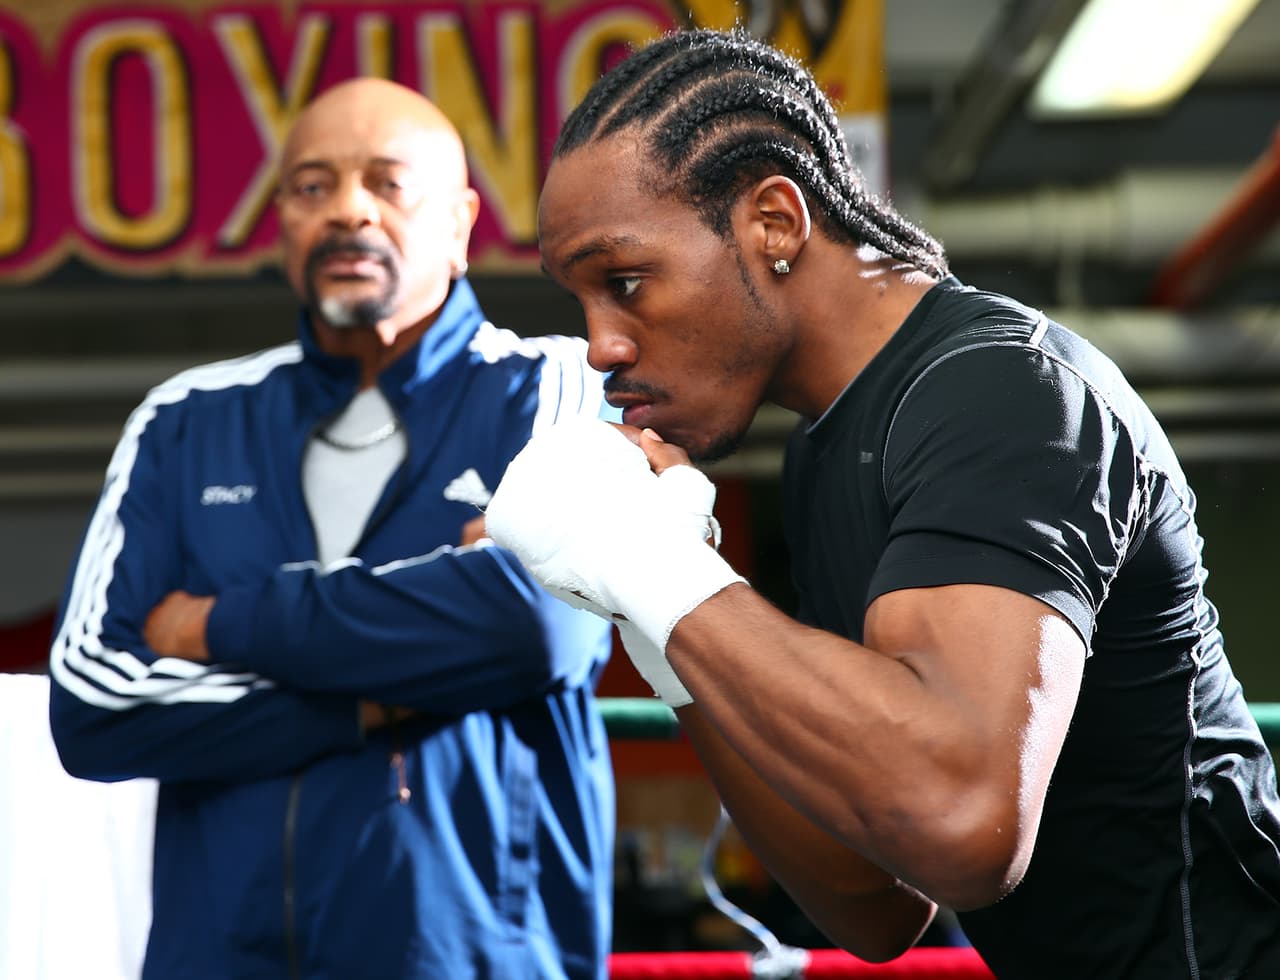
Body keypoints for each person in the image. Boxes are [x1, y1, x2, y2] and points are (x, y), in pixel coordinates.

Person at [484, 27, 1280, 980]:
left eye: (624, 282)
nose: (600, 346)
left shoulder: (1003, 394)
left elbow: (962, 825)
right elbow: (874, 901)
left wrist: (655, 566)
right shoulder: (830, 449)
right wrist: (660, 625)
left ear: (774, 222)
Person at [48, 78, 617, 980]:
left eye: (388, 184)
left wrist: (218, 625)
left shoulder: (555, 391)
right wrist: (374, 700)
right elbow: (93, 705)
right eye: (312, 187)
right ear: (281, 223)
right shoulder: (186, 422)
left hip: (472, 958)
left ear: (462, 224)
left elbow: (540, 624)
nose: (348, 210)